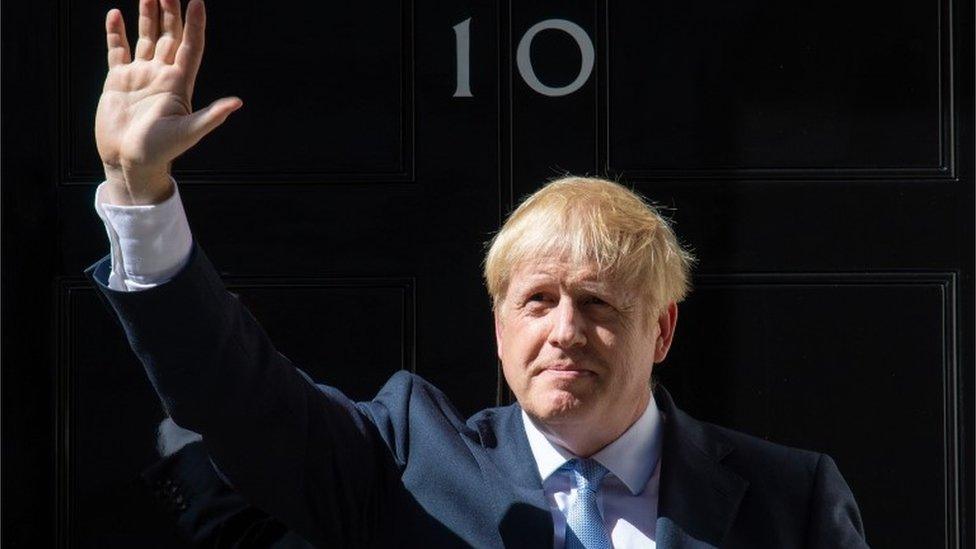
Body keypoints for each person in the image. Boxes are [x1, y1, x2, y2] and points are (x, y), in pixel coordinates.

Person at [87, 0, 868, 547]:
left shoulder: (789, 498)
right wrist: (140, 191)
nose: (565, 329)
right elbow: (234, 395)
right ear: (500, 328)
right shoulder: (403, 462)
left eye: (597, 301)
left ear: (662, 328)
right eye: (537, 300)